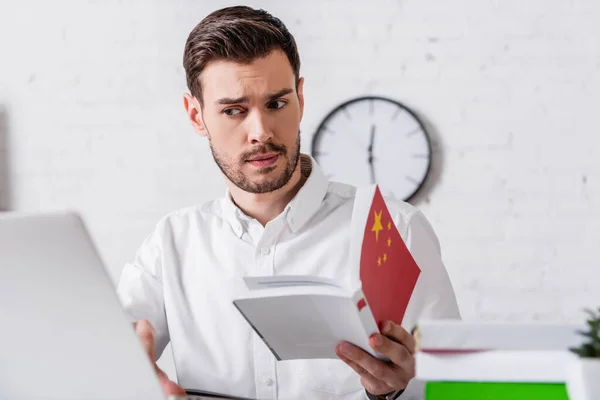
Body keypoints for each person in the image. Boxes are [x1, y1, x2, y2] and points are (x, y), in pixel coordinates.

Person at [116, 5, 461, 400]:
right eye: (233, 111)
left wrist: (396, 392)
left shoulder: (396, 230)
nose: (260, 132)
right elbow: (108, 362)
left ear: (299, 97)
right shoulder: (171, 243)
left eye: (277, 104)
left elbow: (454, 386)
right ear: (196, 116)